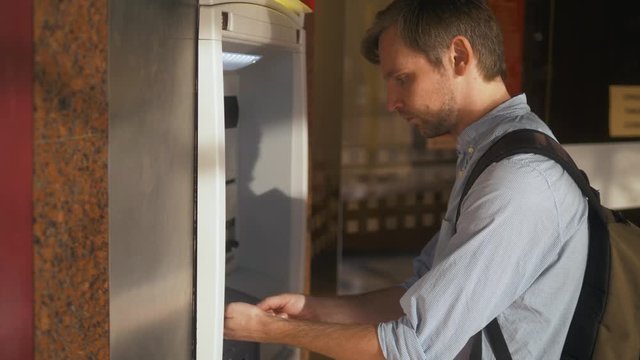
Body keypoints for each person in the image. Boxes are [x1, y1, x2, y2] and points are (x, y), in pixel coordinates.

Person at [224, 0, 589, 358]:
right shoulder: (488, 155)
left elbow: (410, 347)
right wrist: (311, 309)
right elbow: (416, 294)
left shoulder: (518, 179)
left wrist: (268, 330)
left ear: (458, 57)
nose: (391, 102)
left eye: (402, 79)